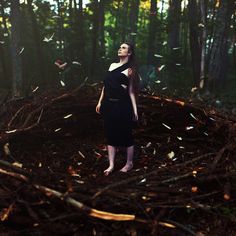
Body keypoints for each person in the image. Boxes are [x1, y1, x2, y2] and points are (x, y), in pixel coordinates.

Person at [95, 42, 139, 176]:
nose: (120, 49)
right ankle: (111, 164)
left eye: (124, 48)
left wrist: (135, 110)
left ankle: (129, 163)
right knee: (110, 133)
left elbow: (131, 91)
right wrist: (100, 102)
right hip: (109, 104)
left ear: (129, 53)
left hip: (123, 105)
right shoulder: (112, 65)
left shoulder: (130, 69)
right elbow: (105, 86)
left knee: (126, 134)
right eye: (120, 47)